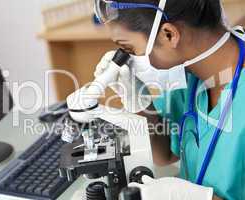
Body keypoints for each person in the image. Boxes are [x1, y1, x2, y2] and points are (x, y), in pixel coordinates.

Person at [94, 0, 245, 199]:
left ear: (169, 34)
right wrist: (138, 101)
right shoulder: (193, 77)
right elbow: (164, 153)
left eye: (128, 49)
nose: (127, 60)